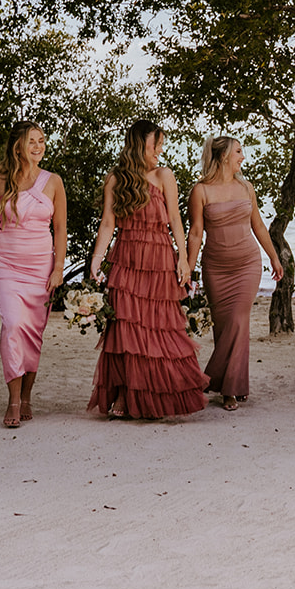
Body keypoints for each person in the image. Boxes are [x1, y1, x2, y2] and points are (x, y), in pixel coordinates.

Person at [86, 119, 209, 419]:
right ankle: (127, 393)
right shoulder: (116, 178)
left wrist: (184, 260)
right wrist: (96, 259)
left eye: (161, 145)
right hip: (127, 259)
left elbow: (176, 222)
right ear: (141, 144)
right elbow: (107, 224)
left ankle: (152, 394)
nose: (159, 151)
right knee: (127, 329)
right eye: (156, 145)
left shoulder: (164, 175)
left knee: (159, 328)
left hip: (158, 260)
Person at [0, 121, 66, 428]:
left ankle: (27, 396)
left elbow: (60, 228)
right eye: (32, 141)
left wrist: (59, 267)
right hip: (5, 265)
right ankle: (12, 399)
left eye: (42, 140)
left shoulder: (54, 182)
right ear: (17, 146)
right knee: (13, 326)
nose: (39, 146)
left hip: (41, 269)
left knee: (33, 335)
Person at [187, 136, 284, 411]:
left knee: (239, 320)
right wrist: (189, 270)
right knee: (224, 326)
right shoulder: (201, 191)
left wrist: (274, 257)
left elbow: (260, 227)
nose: (243, 157)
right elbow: (195, 233)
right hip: (216, 267)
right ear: (224, 157)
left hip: (247, 264)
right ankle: (230, 382)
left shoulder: (246, 187)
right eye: (239, 152)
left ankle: (227, 387)